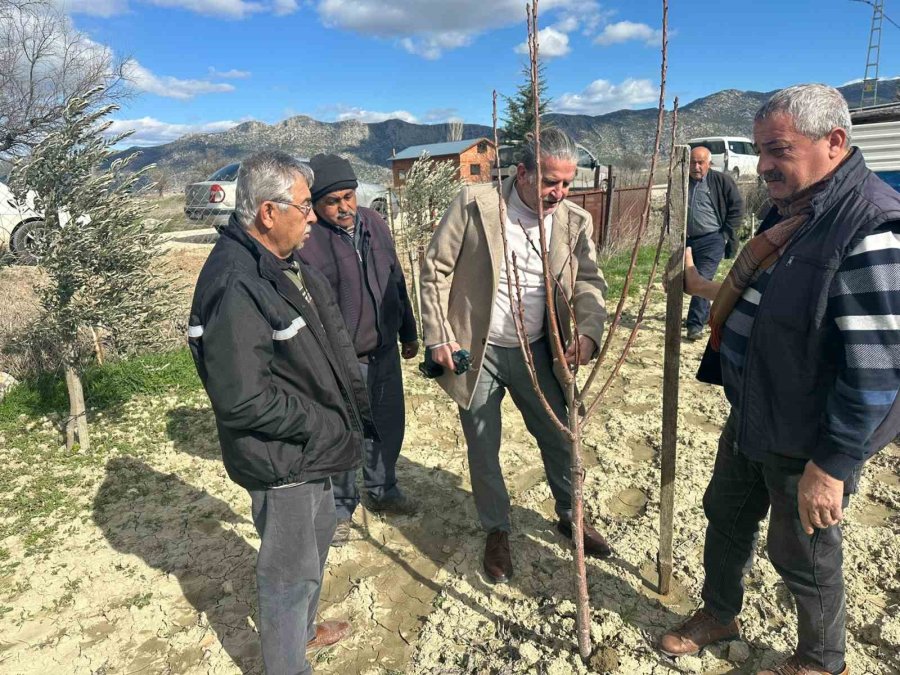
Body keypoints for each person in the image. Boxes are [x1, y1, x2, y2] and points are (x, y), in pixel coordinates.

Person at [659, 84, 900, 675]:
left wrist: (833, 464)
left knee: (804, 551)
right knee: (727, 512)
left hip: (806, 436)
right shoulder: (794, 210)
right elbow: (772, 301)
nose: (763, 164)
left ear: (834, 143)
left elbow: (879, 364)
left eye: (778, 149)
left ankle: (822, 659)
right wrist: (702, 290)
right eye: (761, 149)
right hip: (755, 410)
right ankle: (719, 612)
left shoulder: (867, 226)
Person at [187, 151, 376, 674]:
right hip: (283, 457)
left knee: (311, 555)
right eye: (302, 206)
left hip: (308, 449)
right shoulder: (235, 282)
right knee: (289, 576)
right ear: (268, 213)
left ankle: (305, 632)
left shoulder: (270, 260)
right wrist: (320, 424)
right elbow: (244, 398)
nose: (313, 215)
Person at [419, 128, 611, 585]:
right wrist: (439, 334)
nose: (558, 193)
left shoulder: (573, 221)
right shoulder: (475, 205)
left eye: (567, 183)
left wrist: (588, 331)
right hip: (478, 349)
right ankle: (497, 531)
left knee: (561, 435)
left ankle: (571, 514)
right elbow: (434, 271)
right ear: (522, 173)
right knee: (483, 447)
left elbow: (589, 282)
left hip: (539, 350)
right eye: (550, 182)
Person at [298, 153, 419, 546]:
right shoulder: (307, 242)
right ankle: (340, 508)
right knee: (346, 433)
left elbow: (395, 278)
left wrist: (408, 331)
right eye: (332, 201)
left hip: (383, 350)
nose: (344, 207)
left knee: (387, 426)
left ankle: (383, 490)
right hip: (340, 360)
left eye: (348, 196)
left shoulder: (375, 223)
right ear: (315, 204)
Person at [683, 145, 743, 341]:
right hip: (685, 240)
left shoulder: (721, 181)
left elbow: (737, 206)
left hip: (712, 239)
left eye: (700, 162)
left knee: (702, 278)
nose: (696, 166)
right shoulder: (681, 182)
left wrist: (726, 234)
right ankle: (705, 314)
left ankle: (694, 325)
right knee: (681, 279)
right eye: (692, 162)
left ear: (709, 164)